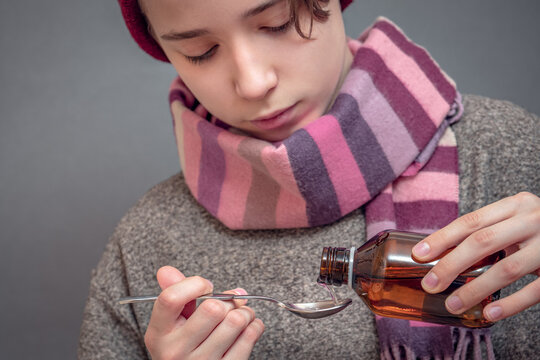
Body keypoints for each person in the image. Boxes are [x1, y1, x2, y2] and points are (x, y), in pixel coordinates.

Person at [78, 0, 540, 359]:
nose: (254, 82)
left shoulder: (511, 149)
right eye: (202, 52)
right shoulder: (147, 242)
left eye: (277, 22)